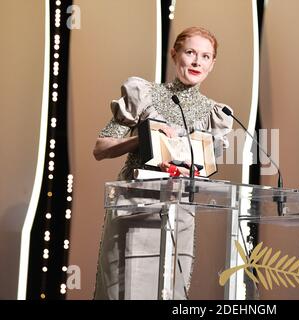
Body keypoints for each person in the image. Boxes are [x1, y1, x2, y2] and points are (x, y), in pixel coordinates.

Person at [93, 26, 233, 300]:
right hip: (135, 209)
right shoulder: (145, 95)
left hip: (180, 215)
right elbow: (100, 149)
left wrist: (193, 171)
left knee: (171, 293)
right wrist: (144, 135)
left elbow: (203, 171)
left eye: (205, 56)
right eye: (190, 52)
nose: (196, 62)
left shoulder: (215, 113)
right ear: (174, 54)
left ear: (212, 64)